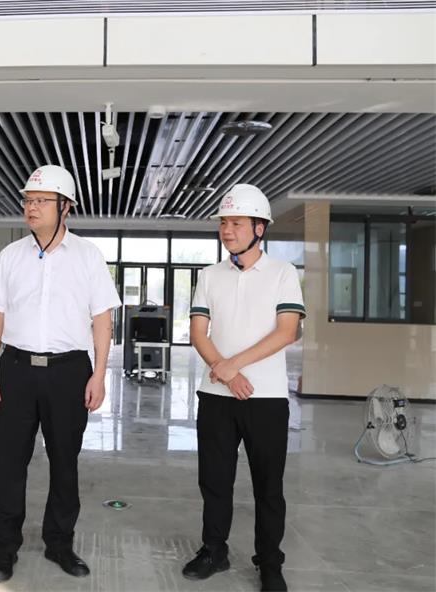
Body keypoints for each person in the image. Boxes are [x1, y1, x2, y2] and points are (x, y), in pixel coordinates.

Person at [0, 165, 122, 583]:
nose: (31, 207)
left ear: (66, 207)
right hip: (18, 370)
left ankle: (59, 544)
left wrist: (99, 374)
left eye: (42, 200)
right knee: (10, 463)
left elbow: (103, 320)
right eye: (28, 200)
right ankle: (4, 548)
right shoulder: (11, 255)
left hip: (69, 372)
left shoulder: (88, 256)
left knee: (65, 463)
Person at [182, 184, 305, 592]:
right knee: (214, 481)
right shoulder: (209, 275)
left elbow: (287, 331)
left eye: (236, 223)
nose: (227, 230)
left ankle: (269, 563)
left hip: (265, 398)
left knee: (268, 486)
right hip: (216, 397)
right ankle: (213, 550)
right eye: (223, 222)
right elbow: (197, 332)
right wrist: (226, 373)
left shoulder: (283, 273)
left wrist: (233, 364)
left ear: (259, 228)